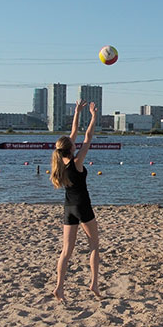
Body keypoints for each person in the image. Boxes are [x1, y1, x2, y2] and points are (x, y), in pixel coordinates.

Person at [50, 100, 100, 301]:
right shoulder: (76, 161)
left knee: (66, 251)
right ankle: (94, 284)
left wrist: (78, 112)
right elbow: (87, 136)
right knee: (94, 246)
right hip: (82, 206)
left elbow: (74, 132)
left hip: (68, 208)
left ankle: (59, 287)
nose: (75, 141)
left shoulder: (60, 162)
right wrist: (94, 116)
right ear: (70, 148)